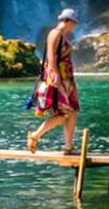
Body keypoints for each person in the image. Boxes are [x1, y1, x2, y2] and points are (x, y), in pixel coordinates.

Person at [27, 9, 81, 154]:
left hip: (67, 78)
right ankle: (35, 135)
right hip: (58, 78)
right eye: (74, 23)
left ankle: (68, 148)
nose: (74, 26)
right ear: (67, 21)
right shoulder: (55, 33)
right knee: (64, 112)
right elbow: (51, 57)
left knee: (73, 111)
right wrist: (56, 77)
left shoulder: (63, 35)